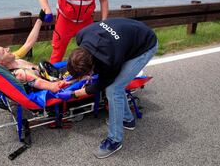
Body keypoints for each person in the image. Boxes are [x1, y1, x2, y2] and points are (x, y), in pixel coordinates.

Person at [57, 18, 158, 159]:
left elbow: (100, 85)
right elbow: (86, 70)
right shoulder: (81, 36)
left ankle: (115, 140)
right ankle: (127, 119)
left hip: (145, 44)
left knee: (113, 89)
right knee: (116, 86)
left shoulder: (109, 60)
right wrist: (70, 80)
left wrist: (74, 95)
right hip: (128, 34)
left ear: (91, 69)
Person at [0, 11, 68, 93]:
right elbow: (40, 82)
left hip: (51, 73)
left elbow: (29, 43)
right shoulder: (19, 73)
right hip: (54, 81)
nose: (8, 49)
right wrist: (62, 84)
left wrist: (40, 19)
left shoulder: (14, 58)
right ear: (2, 63)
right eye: (4, 51)